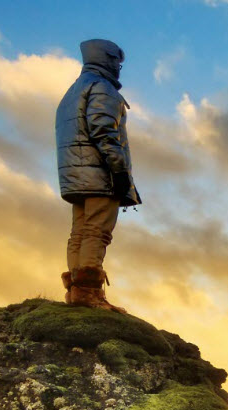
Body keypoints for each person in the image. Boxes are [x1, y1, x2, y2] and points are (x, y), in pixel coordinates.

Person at [55, 39, 141, 313]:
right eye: (116, 60)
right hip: (99, 174)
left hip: (76, 175)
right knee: (97, 231)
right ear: (106, 59)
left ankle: (77, 293)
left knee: (79, 232)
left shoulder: (74, 90)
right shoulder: (102, 88)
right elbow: (104, 131)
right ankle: (90, 293)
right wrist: (119, 172)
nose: (118, 66)